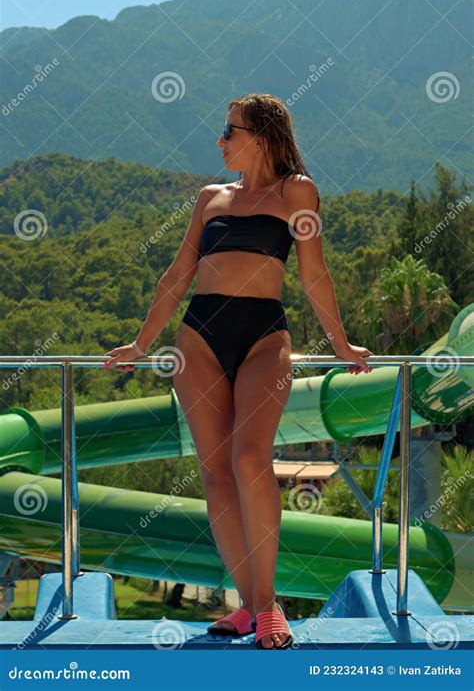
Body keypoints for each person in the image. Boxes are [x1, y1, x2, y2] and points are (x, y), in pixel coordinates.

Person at [104, 92, 374, 649]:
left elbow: (314, 275)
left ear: (263, 136)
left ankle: (269, 604)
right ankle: (249, 607)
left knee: (250, 457)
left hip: (263, 339)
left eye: (230, 131)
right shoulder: (210, 198)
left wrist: (342, 344)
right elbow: (178, 275)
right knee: (215, 473)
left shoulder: (297, 192)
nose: (221, 140)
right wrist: (141, 342)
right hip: (198, 338)